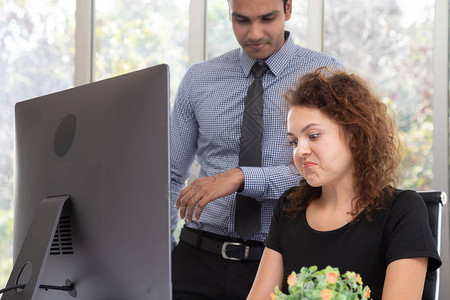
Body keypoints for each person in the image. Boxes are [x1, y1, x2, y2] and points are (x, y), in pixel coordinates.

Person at [170, 0, 343, 298]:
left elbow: (331, 169)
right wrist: (162, 252)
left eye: (267, 18)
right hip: (196, 258)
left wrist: (241, 177)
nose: (254, 33)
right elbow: (169, 175)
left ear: (288, 9)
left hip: (286, 260)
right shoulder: (198, 80)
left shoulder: (326, 76)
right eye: (241, 20)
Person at [247, 67, 442, 300]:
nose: (300, 151)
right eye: (294, 141)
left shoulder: (403, 210)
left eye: (314, 136)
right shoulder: (289, 207)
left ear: (355, 135)